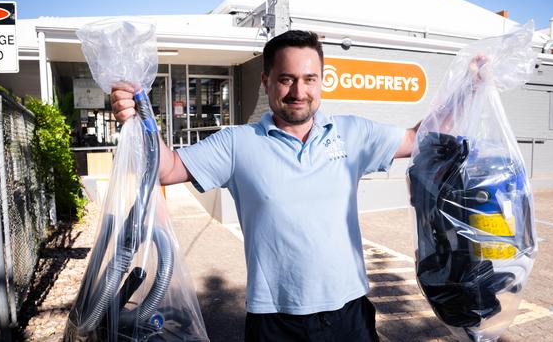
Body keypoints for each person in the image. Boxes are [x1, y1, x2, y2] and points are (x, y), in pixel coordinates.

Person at [111, 30, 419, 342]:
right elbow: (168, 168)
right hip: (274, 323)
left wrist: (467, 90)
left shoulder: (353, 133)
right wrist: (139, 119)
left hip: (349, 317)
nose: (299, 91)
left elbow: (417, 139)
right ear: (266, 81)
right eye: (286, 79)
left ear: (322, 80)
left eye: (309, 79)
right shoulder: (237, 144)